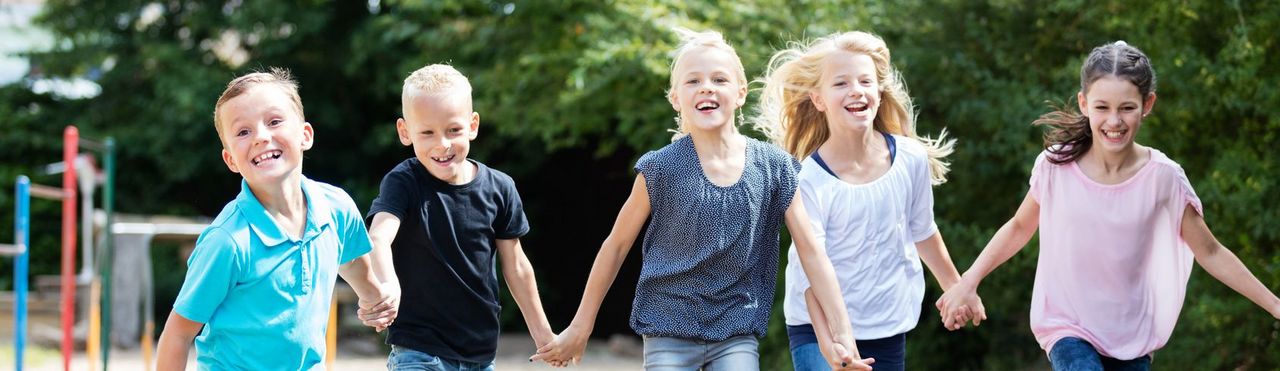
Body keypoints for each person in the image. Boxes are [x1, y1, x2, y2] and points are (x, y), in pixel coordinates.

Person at [532, 28, 872, 371]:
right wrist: (580, 326)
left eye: (719, 79)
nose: (706, 87)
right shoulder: (660, 168)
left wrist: (843, 335)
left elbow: (812, 252)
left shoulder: (775, 167)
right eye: (693, 81)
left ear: (740, 93)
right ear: (676, 99)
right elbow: (616, 246)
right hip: (668, 330)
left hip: (736, 335)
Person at [937, 41, 1280, 370]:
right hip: (1067, 326)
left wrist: (1276, 306)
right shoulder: (1056, 167)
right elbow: (1019, 226)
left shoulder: (1164, 179)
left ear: (1147, 104)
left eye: (1126, 108)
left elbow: (1211, 252)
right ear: (1084, 104)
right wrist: (969, 281)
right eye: (1102, 107)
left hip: (1130, 336)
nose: (1113, 121)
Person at [753, 30, 967, 371]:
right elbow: (811, 269)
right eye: (840, 84)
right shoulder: (808, 179)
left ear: (879, 93)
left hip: (885, 323)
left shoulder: (910, 159)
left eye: (865, 81)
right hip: (817, 324)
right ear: (818, 99)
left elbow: (922, 230)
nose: (856, 90)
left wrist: (957, 288)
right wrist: (832, 343)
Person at [155, 68, 396, 370]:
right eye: (243, 132)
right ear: (231, 159)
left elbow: (349, 260)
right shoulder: (228, 240)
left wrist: (375, 299)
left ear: (305, 135)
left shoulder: (336, 207)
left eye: (274, 121)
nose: (261, 137)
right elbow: (178, 334)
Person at [365, 63, 561, 370]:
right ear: (405, 132)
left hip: (480, 354)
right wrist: (388, 286)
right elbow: (378, 237)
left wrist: (543, 334)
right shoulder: (403, 182)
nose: (442, 144)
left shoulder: (501, 188)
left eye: (453, 130)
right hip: (418, 350)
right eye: (427, 132)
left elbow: (517, 267)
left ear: (472, 125)